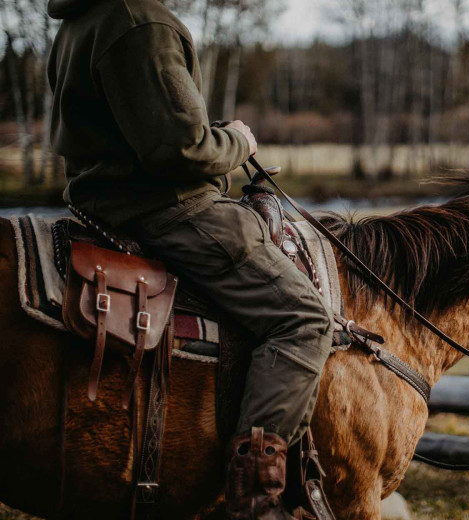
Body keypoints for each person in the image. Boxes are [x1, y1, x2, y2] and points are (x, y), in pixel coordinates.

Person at [47, 0, 333, 518]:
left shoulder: (82, 17)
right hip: (168, 210)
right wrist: (238, 141)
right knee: (305, 319)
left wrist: (204, 133)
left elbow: (139, 129)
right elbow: (179, 152)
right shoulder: (139, 20)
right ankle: (255, 502)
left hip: (105, 202)